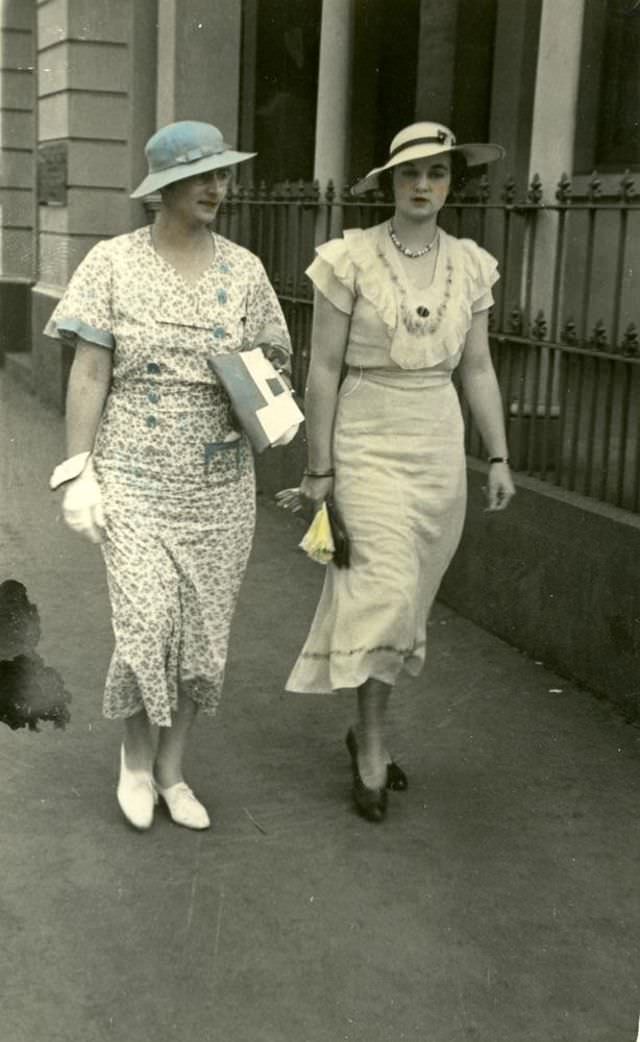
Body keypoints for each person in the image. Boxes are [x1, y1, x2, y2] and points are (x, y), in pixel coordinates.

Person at [47, 121, 291, 831]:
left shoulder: (244, 270)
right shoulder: (112, 263)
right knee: (147, 620)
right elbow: (90, 369)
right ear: (163, 189)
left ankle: (172, 770)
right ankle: (133, 760)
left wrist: (254, 384)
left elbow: (275, 361)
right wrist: (77, 469)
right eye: (200, 175)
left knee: (203, 635)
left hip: (219, 479)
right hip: (133, 473)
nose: (217, 187)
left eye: (222, 173)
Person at [281, 121, 515, 823]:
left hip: (436, 442)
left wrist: (498, 455)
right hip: (366, 434)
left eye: (437, 174)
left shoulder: (472, 264)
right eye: (410, 173)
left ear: (451, 184)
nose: (423, 186)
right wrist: (319, 468)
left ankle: (367, 723)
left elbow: (476, 366)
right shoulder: (348, 259)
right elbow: (321, 368)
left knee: (408, 596)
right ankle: (374, 746)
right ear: (389, 182)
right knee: (380, 589)